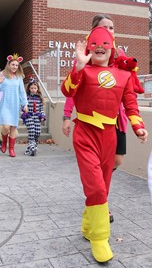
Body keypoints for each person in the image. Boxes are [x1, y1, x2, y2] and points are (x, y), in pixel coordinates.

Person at [61, 26, 148, 263]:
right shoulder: (82, 71)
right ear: (89, 47)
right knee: (97, 187)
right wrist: (78, 67)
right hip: (85, 133)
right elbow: (66, 90)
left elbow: (130, 103)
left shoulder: (123, 75)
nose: (100, 47)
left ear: (113, 49)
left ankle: (88, 225)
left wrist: (138, 126)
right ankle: (100, 239)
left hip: (110, 134)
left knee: (103, 187)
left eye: (105, 44)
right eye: (95, 44)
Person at [62, 14, 128, 223]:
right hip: (90, 122)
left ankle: (96, 194)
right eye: (105, 28)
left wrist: (135, 120)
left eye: (112, 28)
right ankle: (98, 200)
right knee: (97, 177)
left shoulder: (120, 56)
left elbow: (128, 88)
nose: (109, 31)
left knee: (116, 161)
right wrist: (66, 116)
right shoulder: (86, 57)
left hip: (116, 120)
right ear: (94, 33)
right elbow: (74, 91)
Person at [0, 53, 28, 157]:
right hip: (4, 103)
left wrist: (24, 104)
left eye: (17, 65)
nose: (15, 67)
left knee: (13, 127)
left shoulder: (19, 77)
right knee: (6, 127)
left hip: (14, 104)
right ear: (8, 64)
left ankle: (11, 149)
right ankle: (4, 142)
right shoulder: (1, 74)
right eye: (13, 65)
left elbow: (22, 92)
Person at [21, 77, 46, 156]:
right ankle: (32, 148)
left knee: (37, 132)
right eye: (31, 88)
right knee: (32, 131)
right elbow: (23, 106)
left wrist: (42, 115)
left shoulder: (39, 98)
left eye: (35, 88)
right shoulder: (26, 97)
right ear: (29, 89)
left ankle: (31, 147)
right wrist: (24, 108)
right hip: (29, 116)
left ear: (37, 89)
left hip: (37, 116)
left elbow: (41, 109)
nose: (33, 89)